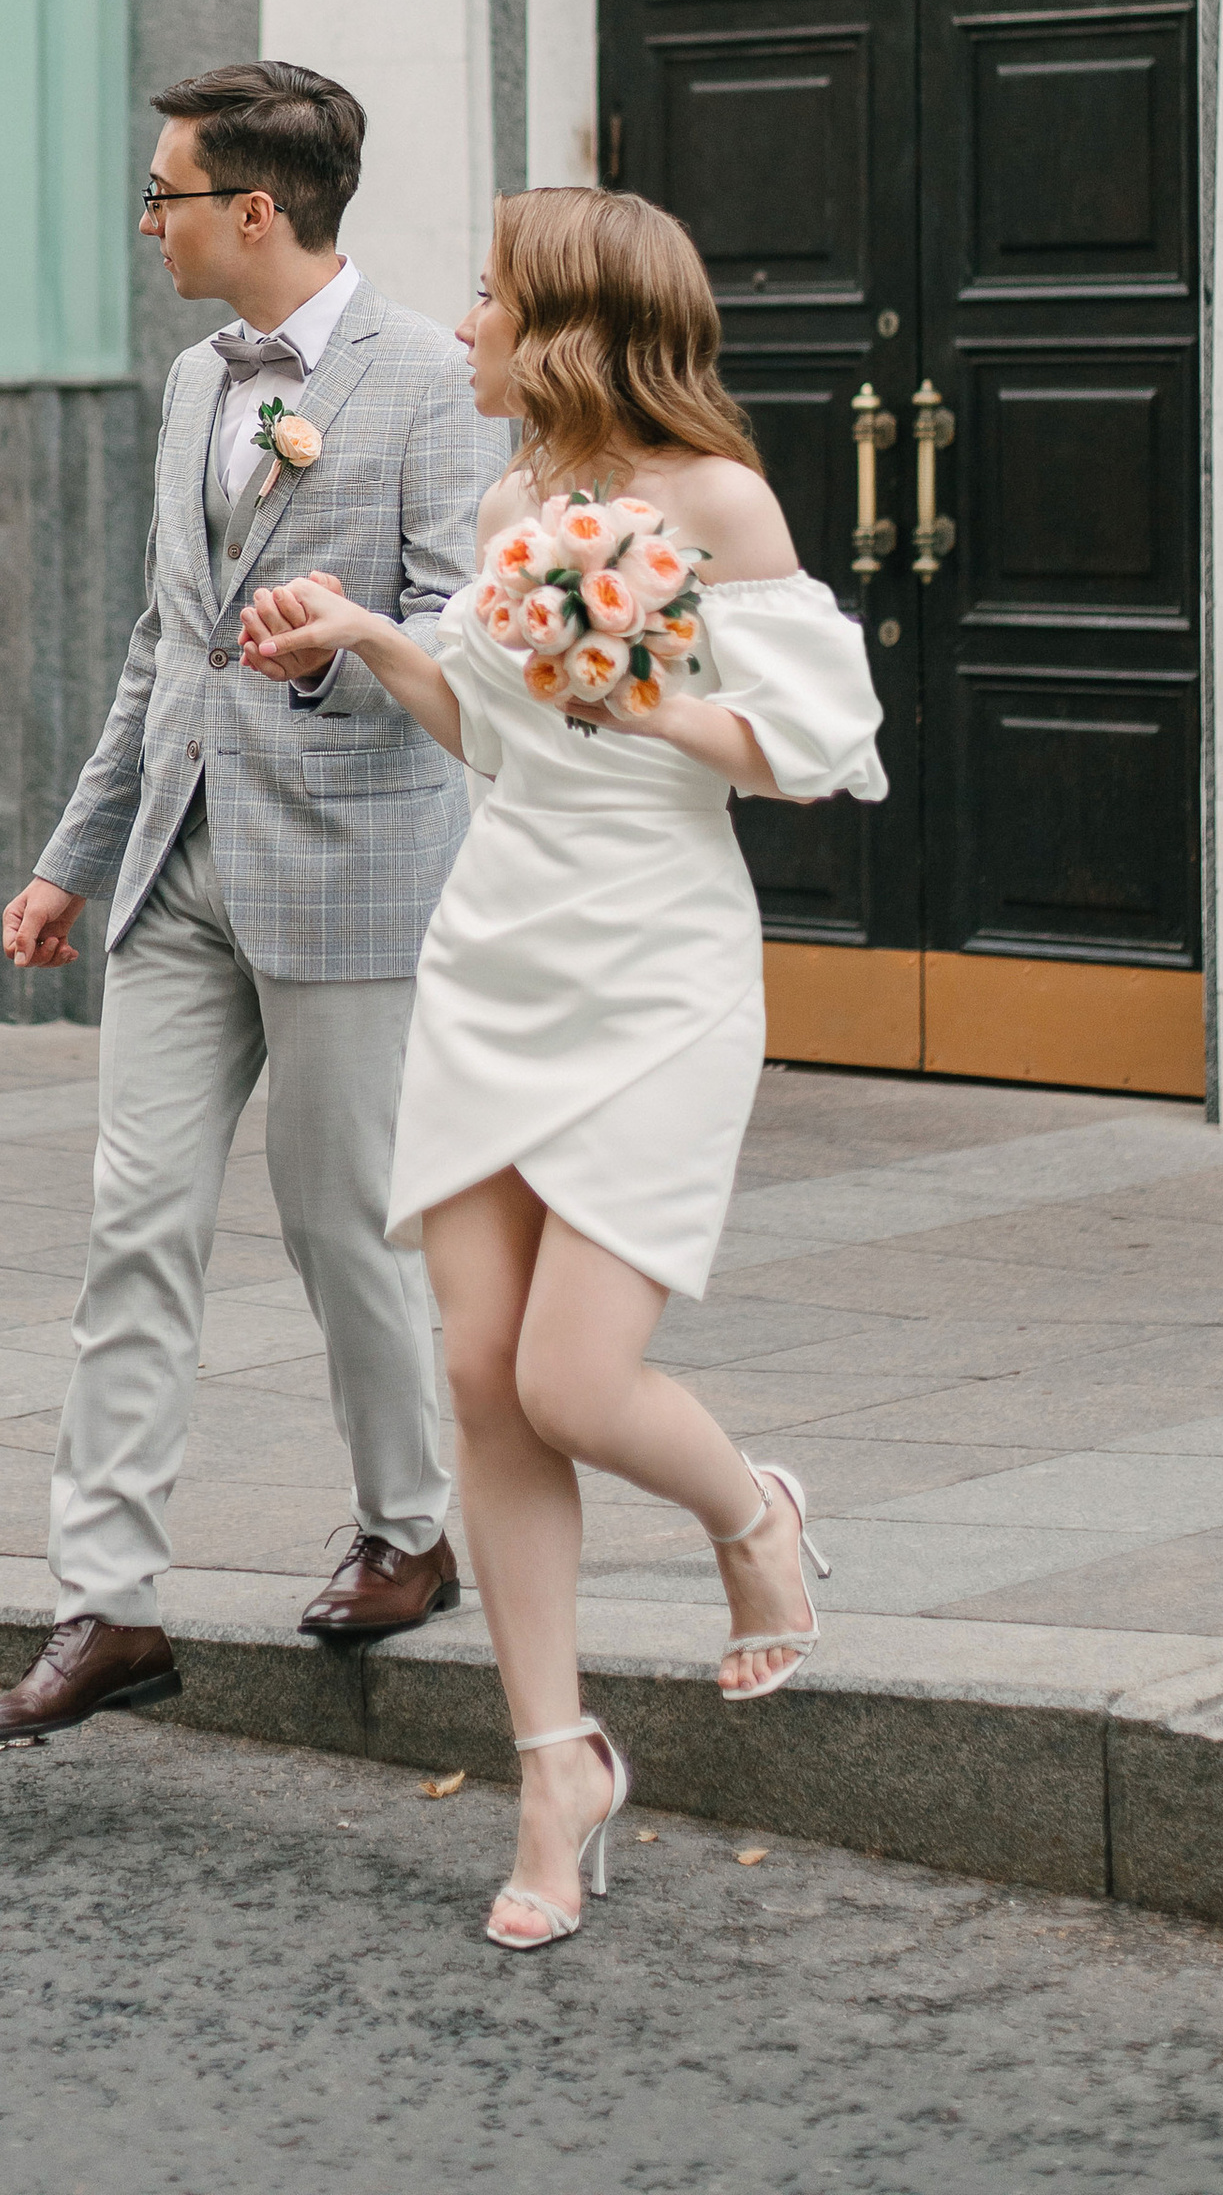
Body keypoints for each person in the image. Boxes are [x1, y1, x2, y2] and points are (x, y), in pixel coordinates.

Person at [240, 187, 884, 1949]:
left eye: (490, 297)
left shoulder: (717, 500)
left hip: (656, 966)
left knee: (579, 1381)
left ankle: (752, 1513)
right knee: (481, 1376)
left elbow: (812, 748)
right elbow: (495, 739)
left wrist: (642, 696)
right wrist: (374, 638)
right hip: (495, 952)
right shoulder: (509, 503)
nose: (464, 326)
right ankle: (554, 1766)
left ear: (572, 326)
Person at [0, 59, 506, 1751]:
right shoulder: (199, 379)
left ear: (254, 210)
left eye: (166, 195)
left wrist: (333, 647)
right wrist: (72, 855)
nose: (149, 223)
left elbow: (461, 630)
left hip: (349, 868)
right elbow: (163, 639)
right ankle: (107, 1605)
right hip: (179, 866)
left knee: (342, 1222)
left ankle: (409, 1533)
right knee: (134, 1228)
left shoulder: (429, 379)